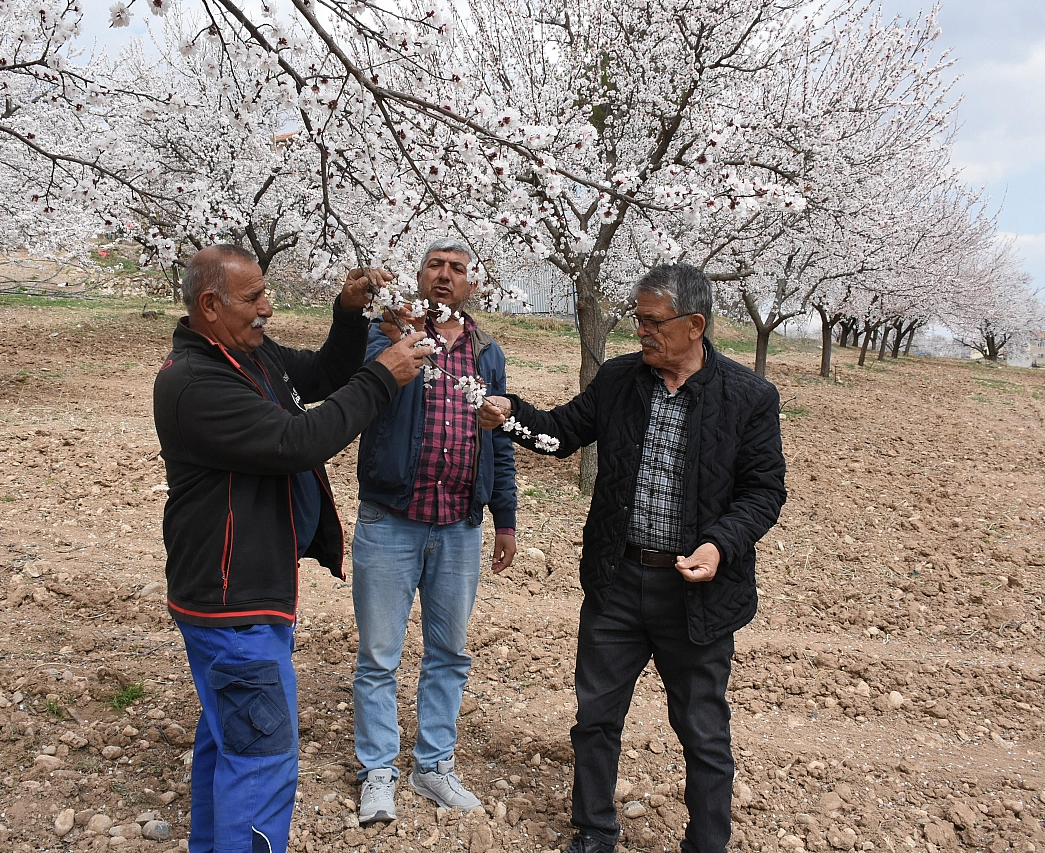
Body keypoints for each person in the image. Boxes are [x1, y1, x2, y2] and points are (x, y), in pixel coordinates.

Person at [478, 263, 787, 853]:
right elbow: (562, 433)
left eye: (652, 321)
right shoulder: (621, 379)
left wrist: (719, 544)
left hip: (696, 594)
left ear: (694, 325)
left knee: (702, 733)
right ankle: (593, 832)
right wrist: (511, 416)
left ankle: (706, 844)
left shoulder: (748, 397)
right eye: (637, 319)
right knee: (595, 720)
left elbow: (764, 491)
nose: (640, 331)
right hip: (617, 582)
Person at [153, 244, 427, 853]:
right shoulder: (195, 384)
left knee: (229, 739)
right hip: (232, 604)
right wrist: (383, 377)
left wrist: (348, 315)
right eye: (252, 298)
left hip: (241, 593)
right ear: (209, 304)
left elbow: (321, 376)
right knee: (261, 758)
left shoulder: (245, 354)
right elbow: (296, 441)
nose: (267, 308)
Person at [351, 237, 518, 824]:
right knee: (378, 655)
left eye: (457, 269)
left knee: (449, 652)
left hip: (457, 526)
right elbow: (360, 389)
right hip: (390, 520)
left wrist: (506, 518)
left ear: (473, 283)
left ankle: (434, 766)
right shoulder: (389, 336)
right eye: (435, 266)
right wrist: (397, 336)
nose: (445, 276)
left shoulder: (486, 351)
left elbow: (497, 437)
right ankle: (378, 771)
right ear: (419, 275)